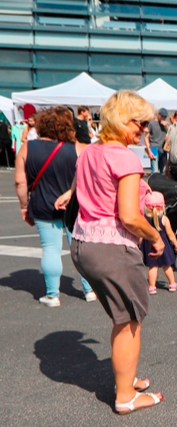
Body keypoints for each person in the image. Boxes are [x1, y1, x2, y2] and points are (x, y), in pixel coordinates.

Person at [62, 90, 164, 414]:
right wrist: (156, 236)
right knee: (129, 322)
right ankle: (125, 396)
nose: (144, 130)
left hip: (82, 244)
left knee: (120, 318)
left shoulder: (89, 152)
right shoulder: (124, 157)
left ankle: (128, 380)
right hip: (113, 247)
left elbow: (83, 193)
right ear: (123, 120)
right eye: (141, 123)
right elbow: (130, 217)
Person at [14, 107, 97, 306]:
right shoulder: (77, 148)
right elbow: (88, 177)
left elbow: (20, 182)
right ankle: (89, 289)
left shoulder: (27, 147)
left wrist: (24, 205)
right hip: (73, 204)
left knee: (50, 248)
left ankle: (52, 295)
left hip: (42, 203)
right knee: (78, 248)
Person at [141, 192, 177, 295]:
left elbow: (140, 234)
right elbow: (170, 234)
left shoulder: (144, 219)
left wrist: (139, 244)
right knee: (167, 266)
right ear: (162, 205)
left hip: (149, 245)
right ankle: (172, 284)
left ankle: (152, 286)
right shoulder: (164, 219)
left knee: (152, 267)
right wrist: (176, 245)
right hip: (164, 246)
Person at [146, 109, 167, 174]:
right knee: (154, 171)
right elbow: (146, 137)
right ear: (158, 114)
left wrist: (167, 126)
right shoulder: (151, 123)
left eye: (165, 116)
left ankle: (161, 184)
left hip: (163, 149)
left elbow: (170, 135)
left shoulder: (165, 124)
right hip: (154, 148)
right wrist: (149, 150)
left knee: (163, 171)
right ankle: (153, 183)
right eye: (162, 116)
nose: (164, 118)